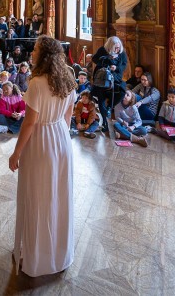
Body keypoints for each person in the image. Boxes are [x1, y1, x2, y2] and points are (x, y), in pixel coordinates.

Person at [9, 36, 76, 277]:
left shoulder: (37, 83)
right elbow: (68, 115)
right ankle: (58, 252)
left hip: (40, 141)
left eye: (36, 48)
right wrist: (61, 139)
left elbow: (29, 123)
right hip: (61, 137)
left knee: (37, 196)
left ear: (44, 54)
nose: (32, 51)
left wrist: (16, 153)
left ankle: (36, 256)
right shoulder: (68, 77)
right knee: (58, 196)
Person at [91, 36, 127, 131]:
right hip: (102, 78)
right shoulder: (103, 50)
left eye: (118, 47)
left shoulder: (121, 53)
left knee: (122, 91)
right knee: (101, 98)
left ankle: (109, 107)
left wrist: (116, 68)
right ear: (110, 46)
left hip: (115, 77)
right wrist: (106, 63)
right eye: (115, 47)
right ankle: (105, 123)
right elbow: (94, 59)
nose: (117, 49)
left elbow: (124, 64)